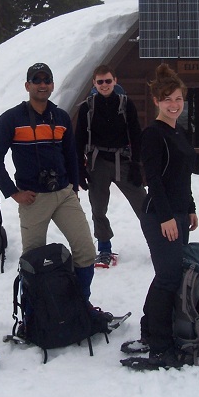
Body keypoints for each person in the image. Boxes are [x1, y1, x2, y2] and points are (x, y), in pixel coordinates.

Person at [0, 63, 112, 326]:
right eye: (37, 80)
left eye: (47, 80)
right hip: (33, 199)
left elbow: (71, 156)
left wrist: (74, 188)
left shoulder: (61, 117)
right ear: (28, 85)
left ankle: (80, 305)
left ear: (53, 85)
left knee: (85, 251)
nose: (42, 85)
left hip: (64, 194)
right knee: (32, 259)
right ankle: (32, 318)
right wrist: (13, 193)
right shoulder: (11, 119)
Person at [128, 63, 199, 368]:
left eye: (179, 99)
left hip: (180, 214)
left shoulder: (180, 132)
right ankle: (158, 344)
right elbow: (154, 179)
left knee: (166, 275)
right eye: (168, 99)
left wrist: (191, 207)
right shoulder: (153, 134)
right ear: (157, 101)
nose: (174, 105)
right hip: (160, 215)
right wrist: (167, 217)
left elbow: (183, 176)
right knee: (169, 277)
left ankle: (149, 330)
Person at [75, 65, 146, 265]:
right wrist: (80, 168)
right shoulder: (87, 108)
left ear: (115, 80)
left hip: (123, 161)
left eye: (108, 81)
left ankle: (157, 244)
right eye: (100, 82)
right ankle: (104, 248)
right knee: (98, 207)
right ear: (94, 84)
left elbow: (136, 134)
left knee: (143, 204)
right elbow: (78, 139)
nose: (104, 85)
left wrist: (136, 165)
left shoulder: (126, 104)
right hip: (97, 162)